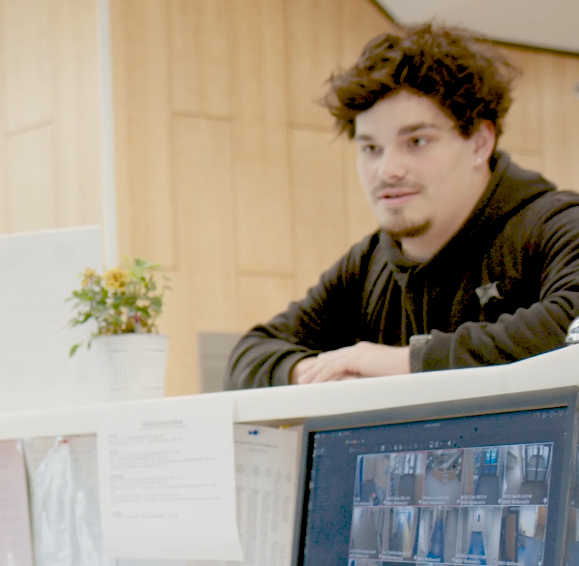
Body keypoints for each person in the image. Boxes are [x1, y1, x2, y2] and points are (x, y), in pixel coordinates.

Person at [225, 23, 579, 389]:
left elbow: (570, 325)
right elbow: (250, 356)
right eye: (370, 149)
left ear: (479, 142)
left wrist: (408, 361)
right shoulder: (367, 265)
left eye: (417, 141)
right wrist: (316, 372)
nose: (388, 170)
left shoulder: (556, 225)